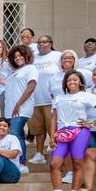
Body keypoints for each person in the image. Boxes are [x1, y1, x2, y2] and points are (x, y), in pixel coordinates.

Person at [41, 70, 96, 191]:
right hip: (61, 132)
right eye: (69, 80)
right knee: (54, 163)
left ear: (80, 82)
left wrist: (91, 124)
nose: (71, 82)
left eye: (75, 79)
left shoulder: (86, 96)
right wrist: (52, 135)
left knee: (77, 162)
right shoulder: (59, 97)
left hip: (79, 131)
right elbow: (54, 118)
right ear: (65, 83)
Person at [27, 35, 62, 164]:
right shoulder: (33, 58)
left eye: (44, 42)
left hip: (51, 100)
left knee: (53, 129)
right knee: (38, 130)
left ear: (50, 43)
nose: (41, 44)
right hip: (35, 99)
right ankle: (39, 154)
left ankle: (57, 153)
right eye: (39, 42)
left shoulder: (57, 55)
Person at [3, 45, 38, 169]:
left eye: (20, 55)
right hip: (10, 110)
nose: (17, 58)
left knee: (15, 133)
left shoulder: (30, 68)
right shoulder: (15, 72)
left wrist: (18, 103)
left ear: (26, 55)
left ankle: (22, 162)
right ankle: (18, 160)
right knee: (17, 135)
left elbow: (31, 86)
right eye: (15, 56)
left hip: (21, 108)